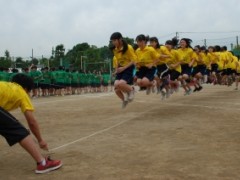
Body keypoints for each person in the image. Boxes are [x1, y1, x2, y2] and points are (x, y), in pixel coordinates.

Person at [0, 73, 62, 174]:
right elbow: (31, 122)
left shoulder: (4, 86)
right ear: (26, 88)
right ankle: (42, 164)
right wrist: (40, 140)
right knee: (19, 131)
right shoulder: (21, 92)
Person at [109, 32, 136, 109]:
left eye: (114, 40)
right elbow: (117, 60)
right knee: (116, 87)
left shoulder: (128, 48)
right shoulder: (115, 49)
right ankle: (124, 100)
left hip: (128, 67)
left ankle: (132, 90)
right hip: (120, 68)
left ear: (120, 39)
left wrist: (124, 68)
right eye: (112, 41)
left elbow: (134, 60)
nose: (113, 42)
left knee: (120, 84)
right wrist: (117, 69)